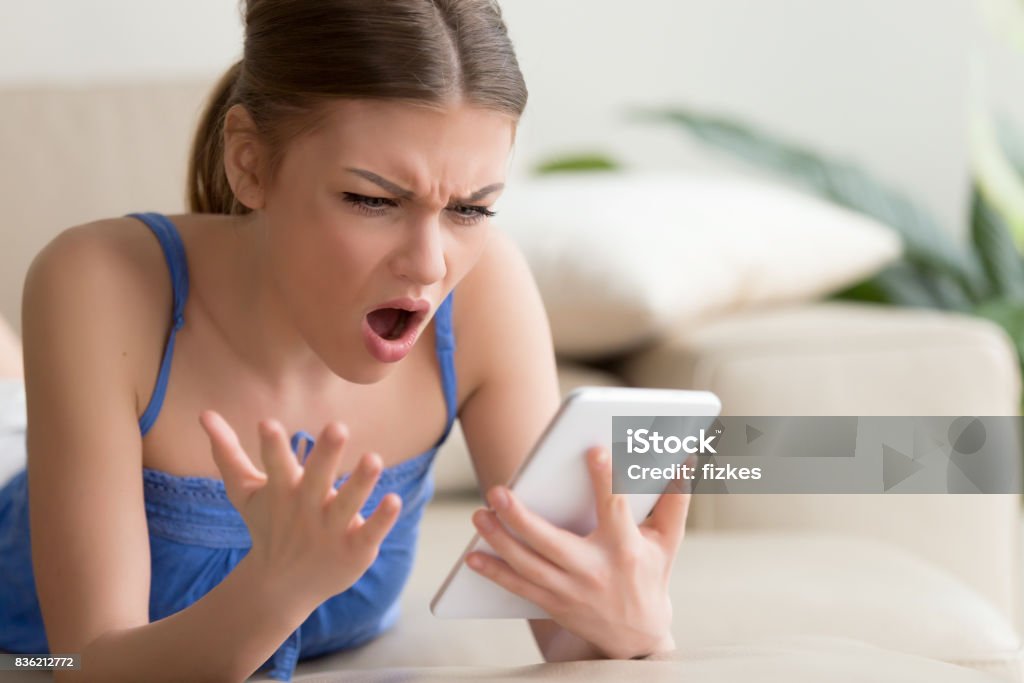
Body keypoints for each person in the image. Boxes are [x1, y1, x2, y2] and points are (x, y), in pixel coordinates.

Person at [0, 1, 692, 681]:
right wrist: (274, 589)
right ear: (249, 163)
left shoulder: (486, 293)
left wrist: (634, 622)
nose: (429, 264)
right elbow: (85, 664)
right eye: (373, 200)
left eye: (471, 209)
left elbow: (567, 629)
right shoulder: (97, 279)